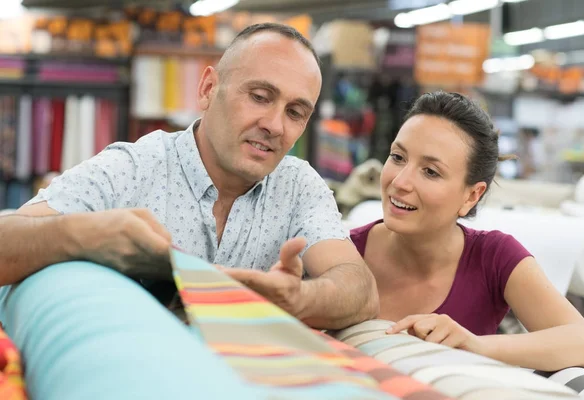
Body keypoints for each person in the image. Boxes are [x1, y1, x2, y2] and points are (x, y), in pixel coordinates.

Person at [0, 23, 378, 330]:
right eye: (260, 96)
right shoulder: (133, 169)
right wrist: (85, 234)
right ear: (208, 89)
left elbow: (360, 290)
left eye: (295, 112)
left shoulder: (298, 186)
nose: (274, 125)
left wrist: (297, 299)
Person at [351, 91, 584, 371]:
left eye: (430, 172)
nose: (400, 181)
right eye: (397, 157)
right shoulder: (342, 252)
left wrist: (475, 344)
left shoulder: (493, 258)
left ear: (471, 196)